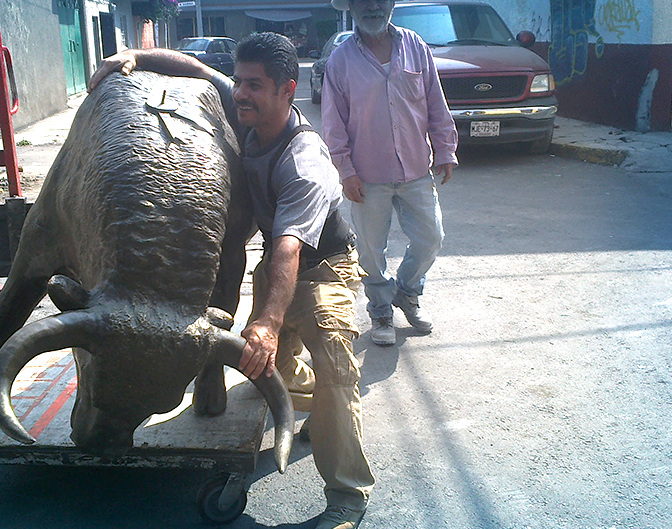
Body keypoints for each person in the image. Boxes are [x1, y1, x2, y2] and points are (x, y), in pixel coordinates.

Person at [89, 32, 374, 529]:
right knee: (275, 375)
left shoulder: (304, 161)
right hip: (277, 271)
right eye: (239, 81)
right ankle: (313, 397)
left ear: (288, 90)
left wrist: (265, 322)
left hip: (325, 268)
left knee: (333, 365)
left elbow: (291, 245)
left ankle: (347, 496)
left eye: (254, 85)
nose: (240, 92)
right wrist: (132, 56)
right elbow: (196, 69)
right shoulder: (248, 106)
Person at [323, 0, 458, 346]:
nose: (372, 6)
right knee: (370, 251)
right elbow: (333, 123)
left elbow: (435, 103)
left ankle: (407, 292)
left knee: (432, 238)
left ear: (392, 3)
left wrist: (445, 148)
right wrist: (345, 171)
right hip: (367, 176)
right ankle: (381, 308)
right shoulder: (340, 61)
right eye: (362, 0)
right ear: (350, 7)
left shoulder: (416, 47)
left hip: (415, 169)